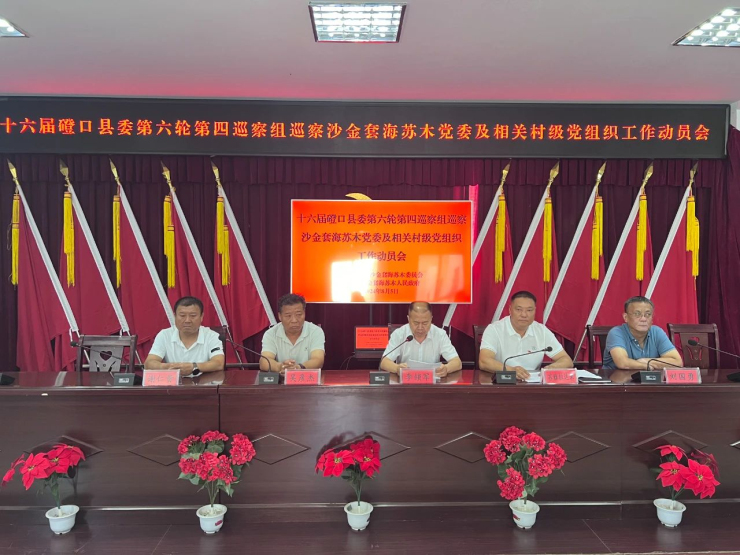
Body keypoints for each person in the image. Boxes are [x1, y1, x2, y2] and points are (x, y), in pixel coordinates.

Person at [479, 291, 573, 380]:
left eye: (529, 310)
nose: (524, 315)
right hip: (503, 383)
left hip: (533, 383)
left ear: (535, 311)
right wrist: (511, 370)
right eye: (519, 309)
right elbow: (484, 361)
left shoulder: (541, 331)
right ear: (510, 310)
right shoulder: (494, 329)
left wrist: (552, 368)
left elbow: (566, 360)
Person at [144, 296, 225, 376]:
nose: (187, 320)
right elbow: (149, 363)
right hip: (174, 382)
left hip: (204, 382)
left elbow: (219, 363)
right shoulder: (164, 335)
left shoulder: (212, 336)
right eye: (182, 316)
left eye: (193, 316)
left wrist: (194, 367)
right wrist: (167, 367)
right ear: (175, 316)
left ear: (201, 317)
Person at [380, 301, 462, 378]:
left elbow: (457, 362)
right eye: (416, 323)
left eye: (425, 323)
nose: (420, 327)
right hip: (406, 382)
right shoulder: (399, 334)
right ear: (408, 319)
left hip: (431, 383)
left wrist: (446, 369)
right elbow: (384, 362)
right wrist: (397, 368)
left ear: (431, 319)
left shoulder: (440, 334)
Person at [602, 296, 682, 370]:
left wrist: (646, 361)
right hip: (616, 379)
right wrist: (647, 366)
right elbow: (623, 363)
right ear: (626, 317)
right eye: (637, 314)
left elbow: (678, 362)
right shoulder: (616, 333)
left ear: (652, 318)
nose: (643, 319)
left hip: (649, 380)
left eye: (648, 314)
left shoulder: (657, 332)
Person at [260, 293, 325, 374]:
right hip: (282, 379)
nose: (294, 320)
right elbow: (264, 361)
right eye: (288, 316)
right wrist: (281, 367)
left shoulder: (315, 331)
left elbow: (318, 360)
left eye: (299, 315)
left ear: (304, 313)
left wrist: (299, 368)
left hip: (308, 379)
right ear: (280, 316)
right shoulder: (271, 334)